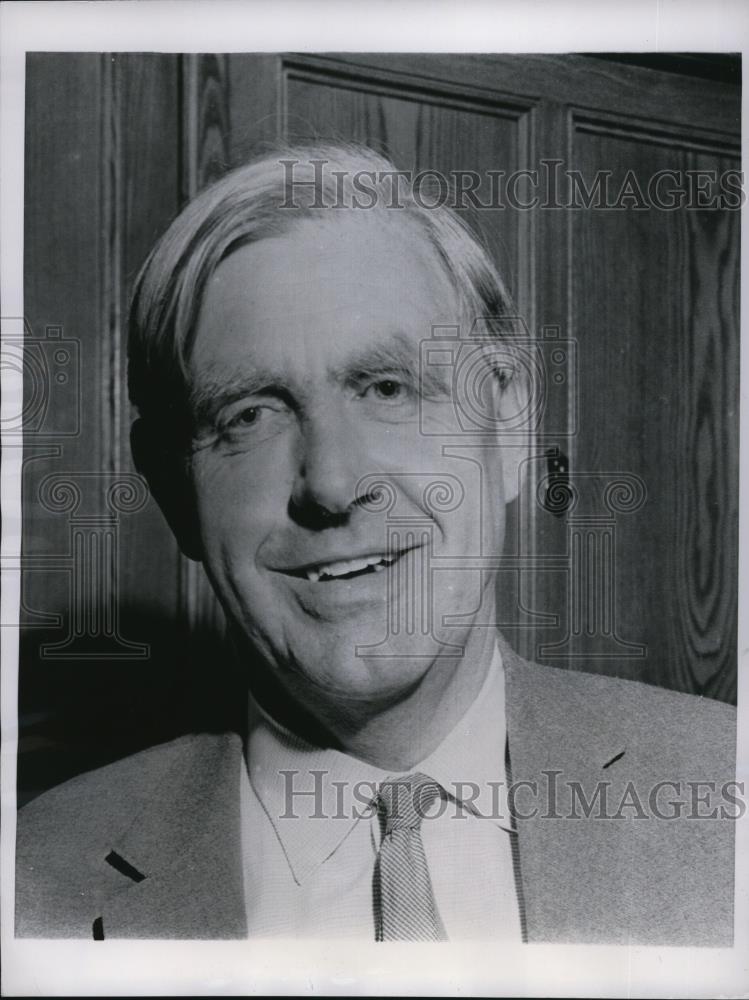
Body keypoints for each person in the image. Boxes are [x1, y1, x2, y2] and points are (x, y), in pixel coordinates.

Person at [16, 144, 737, 944]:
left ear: (507, 423)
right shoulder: (33, 884)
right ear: (173, 491)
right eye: (251, 414)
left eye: (387, 388)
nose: (330, 482)